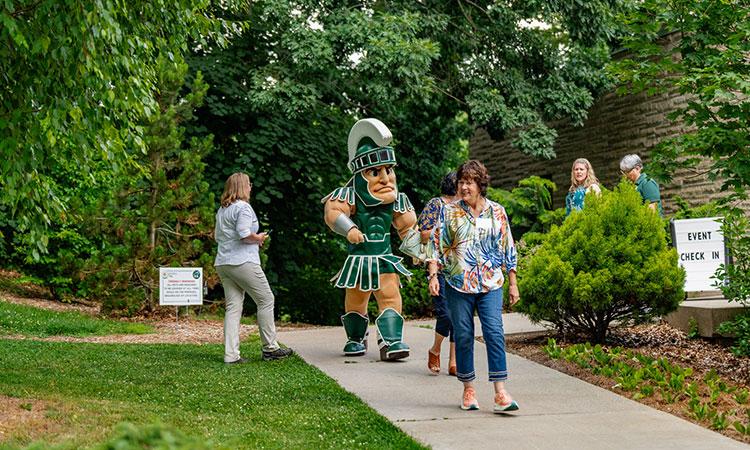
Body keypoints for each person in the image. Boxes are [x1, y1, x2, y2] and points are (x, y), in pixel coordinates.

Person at [426, 160, 520, 413]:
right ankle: (468, 389)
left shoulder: (497, 212)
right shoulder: (449, 212)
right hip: (458, 284)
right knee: (464, 335)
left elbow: (508, 247)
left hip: (491, 283)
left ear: (480, 184)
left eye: (469, 182)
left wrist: (513, 283)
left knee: (494, 333)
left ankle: (500, 392)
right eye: (461, 182)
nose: (464, 187)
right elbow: (436, 245)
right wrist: (433, 276)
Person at [322, 118, 418, 360]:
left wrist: (417, 250)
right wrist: (349, 229)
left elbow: (407, 227)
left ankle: (391, 342)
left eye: (389, 170)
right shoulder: (348, 194)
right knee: (355, 300)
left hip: (385, 258)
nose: (385, 178)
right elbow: (333, 213)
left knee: (390, 296)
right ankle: (356, 338)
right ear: (359, 175)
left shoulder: (398, 200)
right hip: (359, 260)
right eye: (375, 172)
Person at [214, 172, 293, 364]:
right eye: (249, 184)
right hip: (242, 262)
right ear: (242, 187)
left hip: (223, 263)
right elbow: (243, 234)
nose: (251, 187)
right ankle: (270, 348)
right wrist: (258, 238)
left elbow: (217, 237)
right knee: (266, 299)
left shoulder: (223, 210)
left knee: (233, 308)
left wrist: (251, 239)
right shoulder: (244, 208)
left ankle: (231, 355)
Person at [418, 172, 458, 376]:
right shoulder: (436, 204)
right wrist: (441, 229)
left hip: (460, 270)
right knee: (446, 314)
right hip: (440, 267)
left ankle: (453, 361)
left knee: (459, 317)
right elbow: (423, 233)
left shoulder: (466, 207)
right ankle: (435, 349)